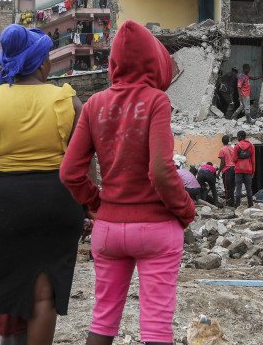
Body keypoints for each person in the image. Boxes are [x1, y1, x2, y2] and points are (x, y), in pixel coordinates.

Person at [59, 19, 196, 345]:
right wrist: (185, 209)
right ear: (153, 61)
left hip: (108, 228)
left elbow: (70, 172)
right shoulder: (156, 101)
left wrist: (95, 204)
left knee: (103, 318)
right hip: (156, 228)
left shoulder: (94, 104)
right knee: (157, 324)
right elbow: (161, 171)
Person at [0, 24, 84, 345]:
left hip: (3, 202)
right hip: (56, 200)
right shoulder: (66, 99)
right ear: (41, 64)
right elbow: (84, 155)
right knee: (43, 295)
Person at [233, 130, 256, 208]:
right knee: (248, 188)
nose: (237, 138)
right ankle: (250, 204)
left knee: (238, 188)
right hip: (248, 169)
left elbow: (234, 159)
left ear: (240, 137)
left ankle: (237, 205)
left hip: (239, 169)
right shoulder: (251, 146)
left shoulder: (237, 146)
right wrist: (253, 171)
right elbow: (253, 160)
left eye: (237, 136)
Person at [218, 135, 236, 207]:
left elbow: (223, 162)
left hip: (227, 169)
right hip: (234, 168)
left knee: (227, 187)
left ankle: (228, 203)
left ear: (222, 141)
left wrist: (219, 172)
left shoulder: (222, 150)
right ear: (228, 141)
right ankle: (232, 202)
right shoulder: (232, 148)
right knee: (232, 187)